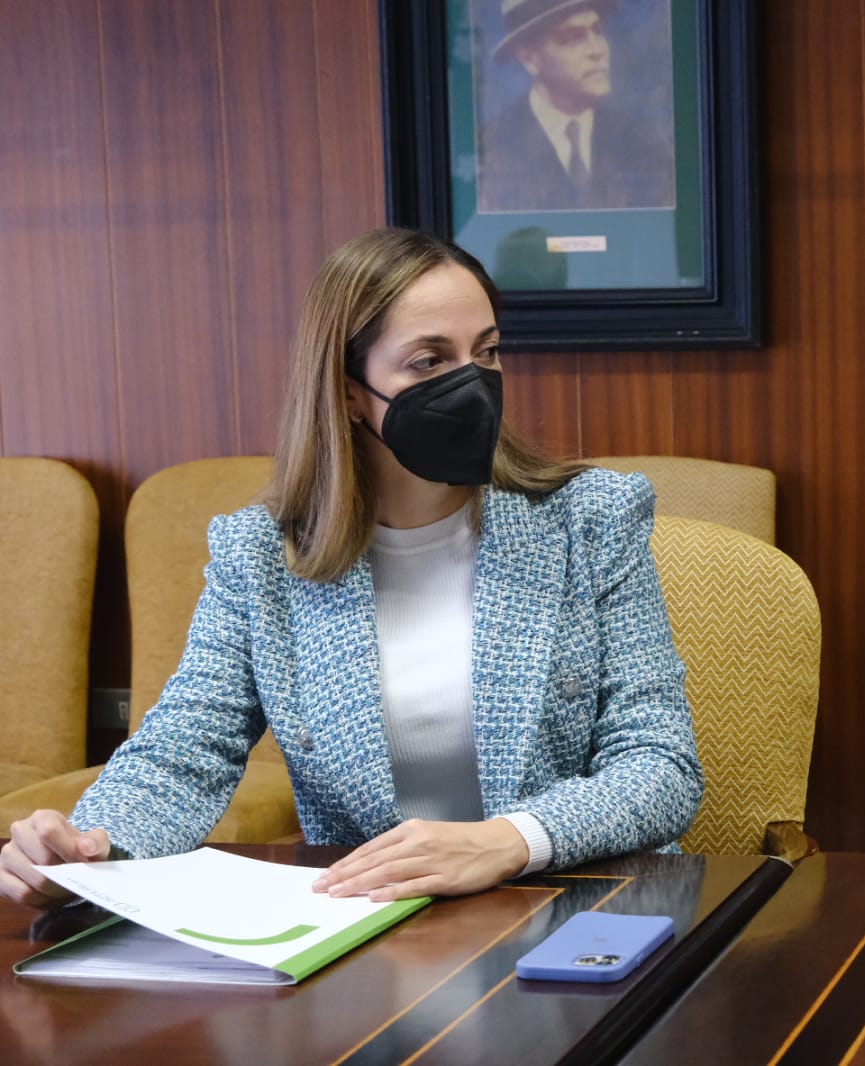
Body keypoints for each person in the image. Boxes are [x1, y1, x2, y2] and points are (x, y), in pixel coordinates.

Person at [1, 227, 703, 909]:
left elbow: (660, 764)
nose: (472, 383)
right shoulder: (260, 556)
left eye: (486, 352)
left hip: (583, 902)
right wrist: (88, 851)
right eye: (428, 361)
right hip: (374, 923)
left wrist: (511, 841)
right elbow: (184, 752)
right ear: (347, 392)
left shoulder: (590, 519)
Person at [477, 0, 674, 212]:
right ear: (529, 59)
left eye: (597, 31)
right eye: (573, 38)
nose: (597, 50)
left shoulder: (644, 144)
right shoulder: (489, 149)